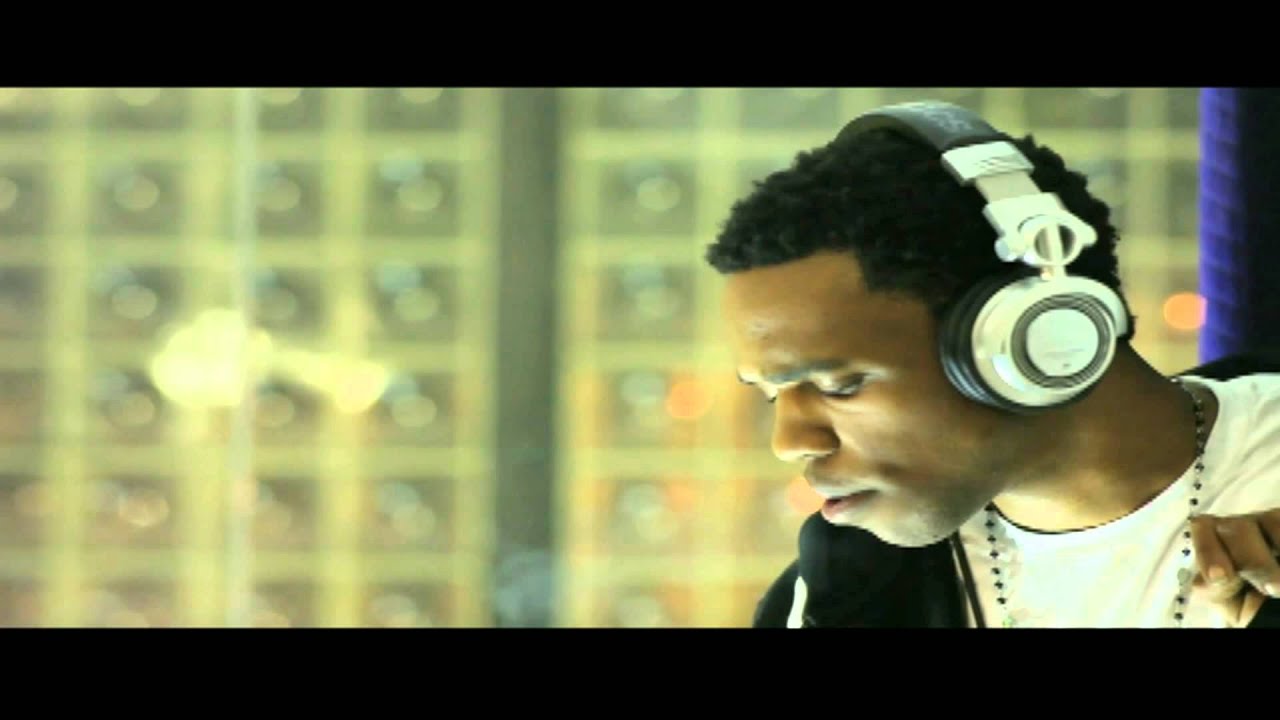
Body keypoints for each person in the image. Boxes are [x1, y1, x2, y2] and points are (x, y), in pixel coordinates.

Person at [705, 100, 1280, 628]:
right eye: (772, 395)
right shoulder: (836, 599)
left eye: (841, 384)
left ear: (1040, 336)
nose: (789, 442)